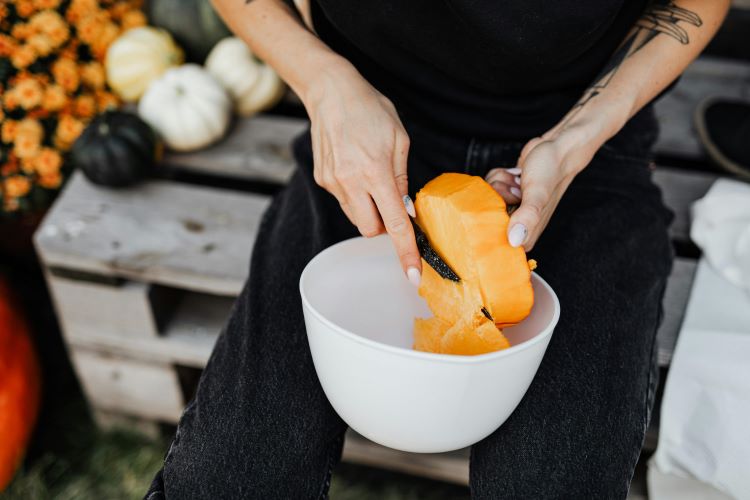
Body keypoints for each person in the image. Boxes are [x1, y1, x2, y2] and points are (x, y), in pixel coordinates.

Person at [145, 1, 729, 498]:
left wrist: (578, 137)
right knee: (232, 473)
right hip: (368, 135)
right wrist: (323, 83)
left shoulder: (580, 143)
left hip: (582, 151)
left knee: (551, 484)